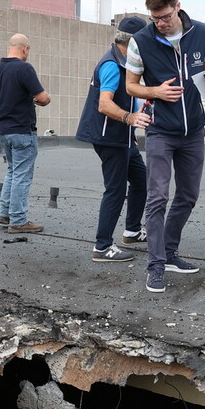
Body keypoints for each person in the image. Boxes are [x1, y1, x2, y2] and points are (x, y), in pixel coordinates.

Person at [124, 0, 205, 293]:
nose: (160, 23)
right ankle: (155, 265)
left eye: (165, 17)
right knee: (157, 197)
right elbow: (131, 85)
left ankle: (169, 253)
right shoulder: (140, 41)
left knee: (188, 195)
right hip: (160, 131)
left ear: (178, 6)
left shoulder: (200, 31)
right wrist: (154, 91)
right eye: (155, 18)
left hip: (194, 130)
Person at [76, 16, 150, 263]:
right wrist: (129, 118)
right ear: (133, 42)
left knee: (141, 180)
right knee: (115, 190)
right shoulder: (111, 65)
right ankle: (102, 246)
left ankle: (131, 231)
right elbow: (104, 104)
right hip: (110, 137)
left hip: (123, 137)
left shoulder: (125, 61)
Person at [0, 34, 51, 234]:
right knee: (22, 176)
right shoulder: (24, 68)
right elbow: (42, 97)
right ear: (25, 49)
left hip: (4, 130)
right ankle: (18, 220)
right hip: (23, 130)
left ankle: (4, 213)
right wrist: (44, 99)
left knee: (12, 172)